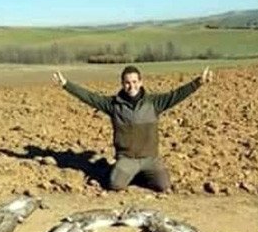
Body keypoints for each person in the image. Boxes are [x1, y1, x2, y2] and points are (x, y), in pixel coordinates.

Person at [52, 65, 212, 192]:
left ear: (141, 82)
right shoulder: (114, 105)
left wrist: (198, 82)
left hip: (150, 158)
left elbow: (177, 94)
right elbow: (90, 98)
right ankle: (124, 171)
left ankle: (137, 174)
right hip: (127, 158)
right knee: (115, 185)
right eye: (127, 82)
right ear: (122, 84)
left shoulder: (154, 103)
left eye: (135, 82)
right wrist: (66, 85)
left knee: (163, 186)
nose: (131, 86)